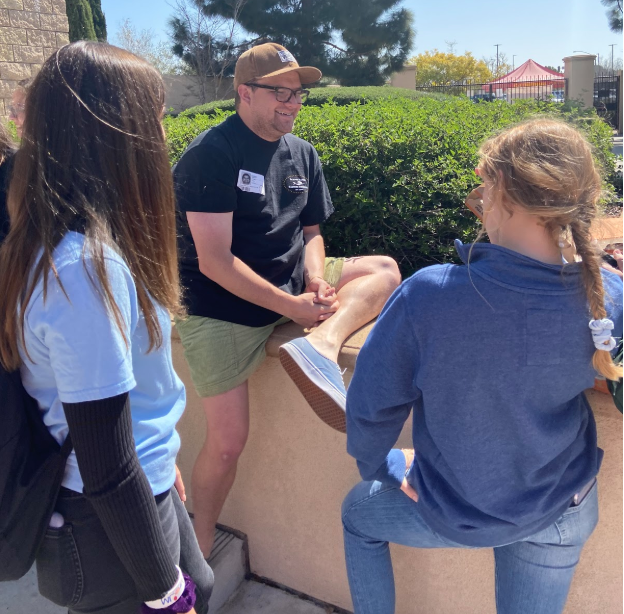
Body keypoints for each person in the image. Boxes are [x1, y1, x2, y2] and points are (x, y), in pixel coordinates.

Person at [341, 118, 623, 614]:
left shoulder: (431, 295)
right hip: (563, 507)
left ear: (504, 193)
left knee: (357, 515)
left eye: (483, 185)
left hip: (458, 508)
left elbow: (370, 410)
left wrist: (380, 465)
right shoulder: (609, 297)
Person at [0, 42, 213, 614]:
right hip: (105, 520)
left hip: (138, 489)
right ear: (117, 135)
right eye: (156, 119)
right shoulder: (84, 270)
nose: (165, 135)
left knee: (207, 586)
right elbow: (106, 462)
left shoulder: (72, 248)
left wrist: (163, 460)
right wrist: (165, 594)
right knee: (193, 597)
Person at [173, 42, 401, 556]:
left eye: (298, 93)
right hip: (220, 307)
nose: (294, 102)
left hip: (291, 285)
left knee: (386, 271)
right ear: (245, 93)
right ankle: (198, 549)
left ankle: (319, 345)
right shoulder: (211, 154)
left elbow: (311, 230)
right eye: (280, 92)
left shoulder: (302, 153)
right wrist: (289, 306)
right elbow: (214, 261)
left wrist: (316, 281)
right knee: (228, 443)